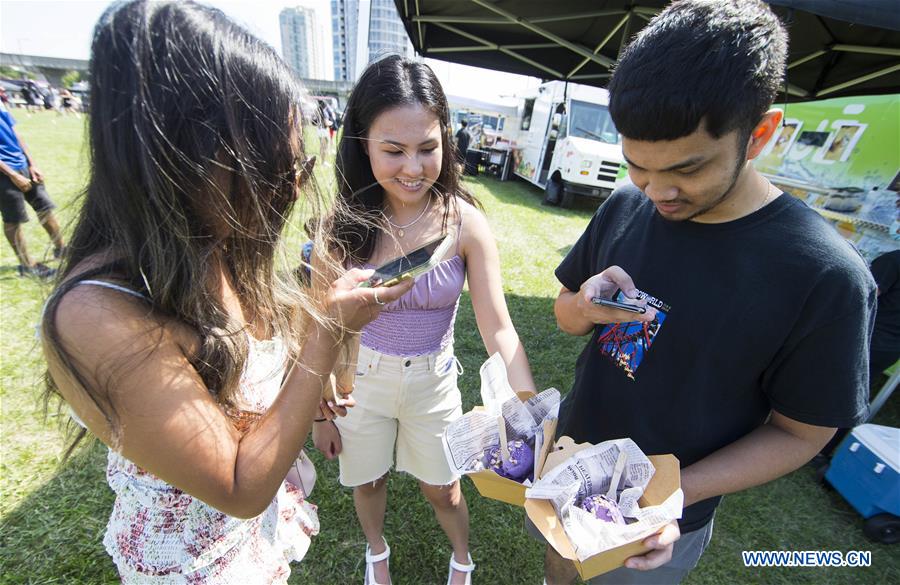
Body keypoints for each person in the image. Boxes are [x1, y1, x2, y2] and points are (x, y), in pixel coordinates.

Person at [39, 1, 412, 583]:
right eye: (274, 167)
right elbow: (240, 487)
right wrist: (326, 336)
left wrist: (308, 357)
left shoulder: (209, 241)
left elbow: (253, 366)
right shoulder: (96, 314)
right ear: (183, 153)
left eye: (300, 165)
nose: (292, 187)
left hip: (251, 551)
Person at [540, 2, 875, 584]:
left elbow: (802, 433)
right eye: (638, 165)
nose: (659, 192)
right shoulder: (625, 206)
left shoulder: (826, 276)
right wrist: (584, 307)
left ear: (760, 135)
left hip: (659, 523)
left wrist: (671, 496)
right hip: (564, 473)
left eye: (687, 170)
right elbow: (567, 315)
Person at [312, 55, 536, 585]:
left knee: (444, 488)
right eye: (393, 150)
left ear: (446, 142)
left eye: (428, 148)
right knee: (366, 482)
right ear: (362, 143)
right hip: (357, 383)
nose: (413, 167)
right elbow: (323, 327)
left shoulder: (465, 223)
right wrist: (320, 414)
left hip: (433, 380)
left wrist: (530, 406)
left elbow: (498, 327)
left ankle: (462, 556)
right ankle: (376, 554)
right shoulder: (340, 226)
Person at [0, 101, 65, 278]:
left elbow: (15, 133)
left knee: (45, 207)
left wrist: (32, 164)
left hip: (24, 166)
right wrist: (13, 175)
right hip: (4, 174)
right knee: (13, 219)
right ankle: (27, 266)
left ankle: (61, 248)